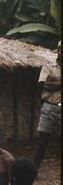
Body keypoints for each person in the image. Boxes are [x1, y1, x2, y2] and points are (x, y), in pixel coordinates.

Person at [32, 41, 61, 170]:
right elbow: (45, 85)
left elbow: (52, 85)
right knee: (42, 142)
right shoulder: (49, 67)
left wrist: (56, 82)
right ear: (58, 51)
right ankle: (32, 172)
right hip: (49, 108)